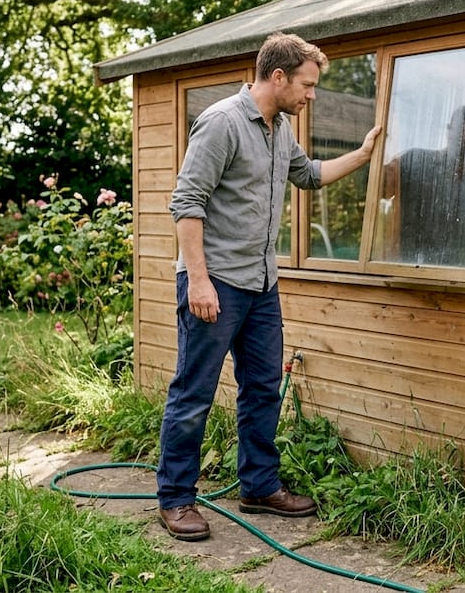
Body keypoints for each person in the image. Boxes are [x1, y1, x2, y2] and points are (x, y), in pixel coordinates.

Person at [157, 32, 380, 541]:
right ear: (277, 77)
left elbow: (311, 175)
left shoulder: (280, 131)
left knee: (262, 390)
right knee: (193, 393)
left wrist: (364, 156)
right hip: (215, 285)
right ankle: (175, 498)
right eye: (307, 84)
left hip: (261, 285)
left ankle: (258, 485)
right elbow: (185, 203)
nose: (312, 95)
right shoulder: (222, 123)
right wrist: (199, 281)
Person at [383, 104, 465, 267]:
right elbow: (373, 187)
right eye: (462, 132)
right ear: (449, 130)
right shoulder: (416, 162)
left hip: (460, 278)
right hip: (407, 272)